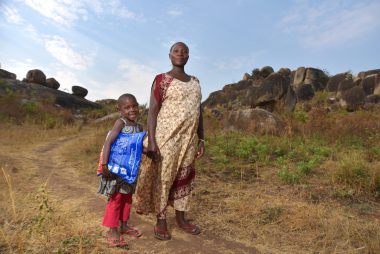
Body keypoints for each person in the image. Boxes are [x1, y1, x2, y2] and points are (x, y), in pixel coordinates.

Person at [135, 42, 205, 241]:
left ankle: (181, 219)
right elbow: (152, 112)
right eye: (176, 51)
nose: (180, 54)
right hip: (167, 138)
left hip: (189, 139)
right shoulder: (162, 80)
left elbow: (199, 112)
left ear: (188, 57)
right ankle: (161, 220)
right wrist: (153, 141)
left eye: (184, 51)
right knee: (164, 179)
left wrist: (202, 139)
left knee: (185, 178)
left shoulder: (195, 81)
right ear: (170, 55)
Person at [98, 93, 144, 247]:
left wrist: (151, 152)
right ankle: (113, 230)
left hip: (131, 171)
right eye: (127, 107)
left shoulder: (139, 127)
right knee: (116, 198)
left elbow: (138, 147)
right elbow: (108, 142)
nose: (132, 109)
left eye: (134, 106)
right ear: (120, 110)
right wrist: (104, 165)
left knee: (127, 197)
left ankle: (124, 226)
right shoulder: (121, 123)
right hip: (116, 169)